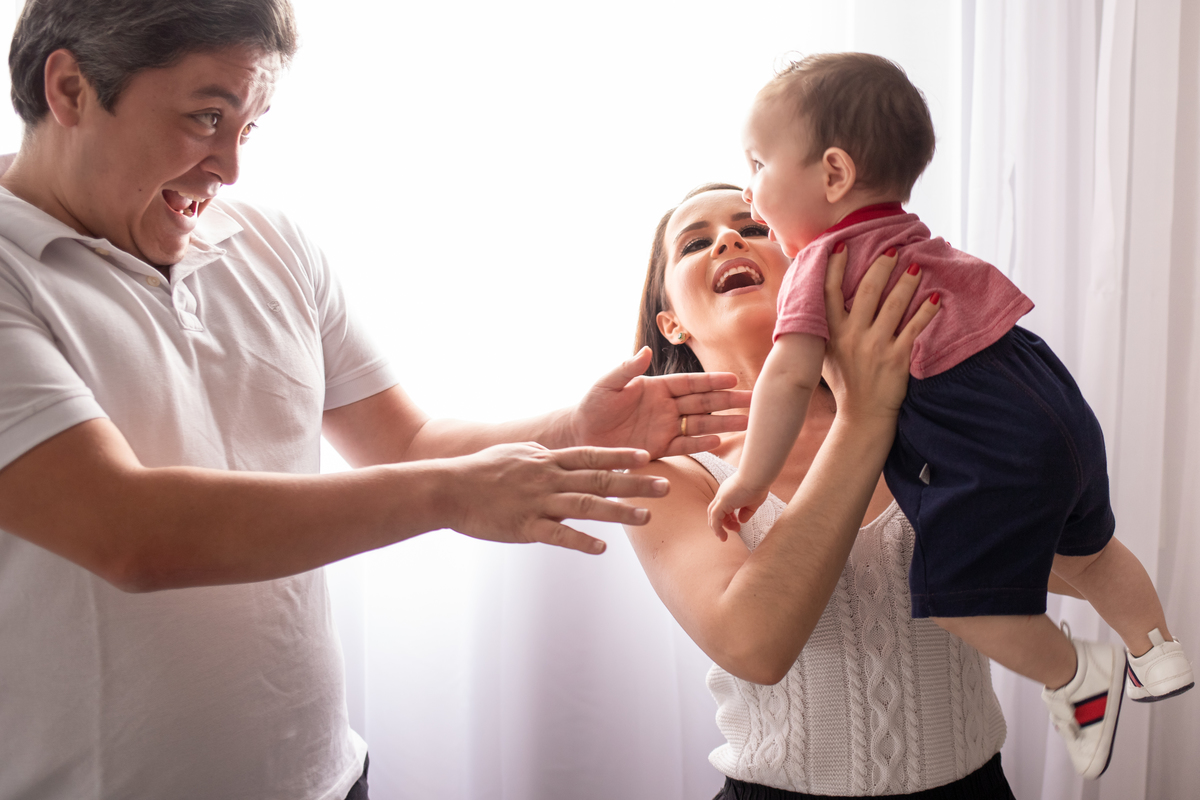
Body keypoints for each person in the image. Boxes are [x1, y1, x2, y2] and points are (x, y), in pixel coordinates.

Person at [0, 3, 753, 799]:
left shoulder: (269, 243)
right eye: (206, 118)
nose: (230, 169)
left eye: (249, 128)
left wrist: (570, 430)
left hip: (329, 777)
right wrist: (449, 495)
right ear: (70, 88)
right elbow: (130, 533)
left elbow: (404, 442)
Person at [705, 53, 1193, 779]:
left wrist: (750, 476)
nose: (749, 192)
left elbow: (787, 376)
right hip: (1048, 395)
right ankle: (1159, 653)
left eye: (756, 166)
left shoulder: (821, 263)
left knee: (961, 602)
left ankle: (1076, 676)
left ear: (834, 174)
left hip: (980, 431)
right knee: (1091, 552)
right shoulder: (912, 237)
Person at [625, 182, 1019, 798]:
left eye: (753, 228)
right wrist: (863, 419)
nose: (728, 240)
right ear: (670, 324)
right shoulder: (666, 474)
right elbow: (754, 646)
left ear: (810, 266)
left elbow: (1051, 565)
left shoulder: (924, 411)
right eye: (696, 243)